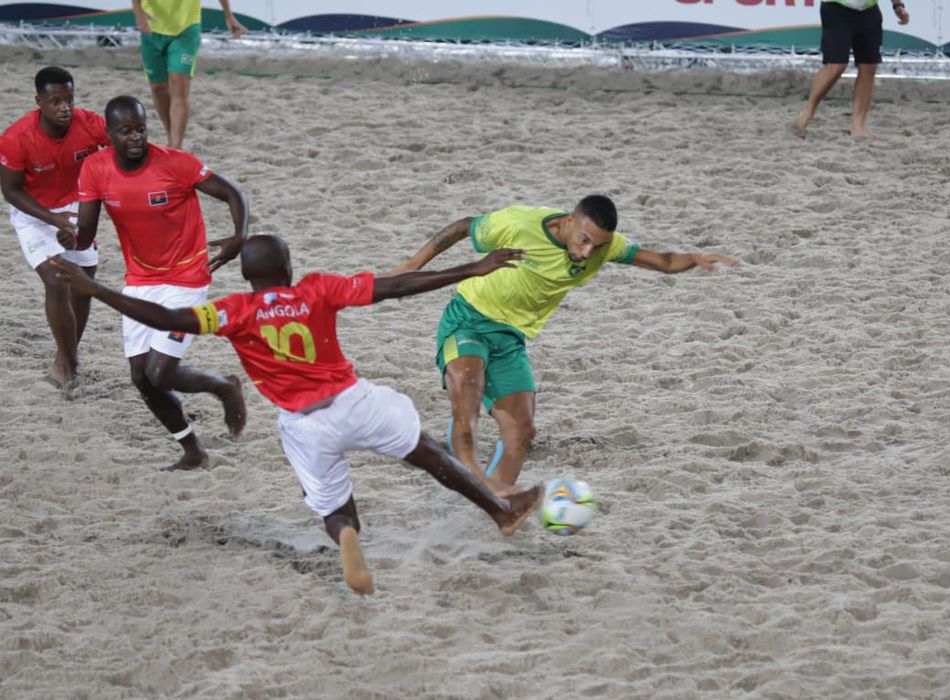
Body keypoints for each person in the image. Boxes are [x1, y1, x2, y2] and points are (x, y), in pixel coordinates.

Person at [50, 236, 543, 596]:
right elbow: (395, 287)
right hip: (354, 401)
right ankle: (501, 511)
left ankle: (348, 538)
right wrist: (470, 269)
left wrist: (99, 292)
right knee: (426, 451)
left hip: (304, 424)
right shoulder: (317, 290)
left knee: (333, 507)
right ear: (288, 266)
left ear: (247, 276)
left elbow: (168, 320)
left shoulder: (234, 310)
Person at [388, 195, 739, 493]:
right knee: (468, 390)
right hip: (467, 318)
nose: (587, 252)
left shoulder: (605, 247)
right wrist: (411, 266)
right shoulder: (519, 223)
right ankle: (473, 481)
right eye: (584, 239)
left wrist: (694, 258)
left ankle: (493, 506)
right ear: (569, 222)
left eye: (597, 245)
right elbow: (464, 225)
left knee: (522, 431)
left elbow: (662, 262)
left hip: (510, 337)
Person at [62, 95, 248, 471]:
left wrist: (238, 237)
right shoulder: (95, 169)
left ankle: (224, 385)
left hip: (187, 276)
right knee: (141, 379)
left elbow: (232, 193)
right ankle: (193, 451)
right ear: (110, 134)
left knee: (161, 371)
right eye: (126, 131)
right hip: (140, 279)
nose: (135, 137)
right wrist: (69, 240)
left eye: (141, 129)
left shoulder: (176, 163)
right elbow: (86, 233)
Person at [0, 66, 109, 395]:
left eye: (69, 99)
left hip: (77, 206)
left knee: (84, 282)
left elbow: (119, 145)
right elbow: (11, 191)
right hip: (34, 212)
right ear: (39, 102)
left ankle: (65, 358)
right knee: (56, 278)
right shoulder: (16, 138)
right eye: (55, 100)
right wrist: (52, 219)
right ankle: (69, 362)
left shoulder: (89, 123)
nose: (65, 107)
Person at [132, 0, 247, 150]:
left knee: (179, 85)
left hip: (186, 28)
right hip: (152, 27)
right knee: (158, 88)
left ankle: (176, 147)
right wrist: (138, 12)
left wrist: (228, 15)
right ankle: (171, 139)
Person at [792, 0, 910, 140]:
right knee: (836, 65)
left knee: (869, 66)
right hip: (837, 7)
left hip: (868, 10)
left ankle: (858, 127)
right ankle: (807, 113)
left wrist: (897, 6)